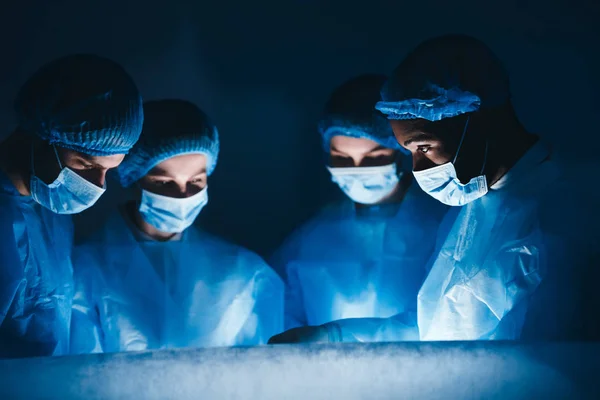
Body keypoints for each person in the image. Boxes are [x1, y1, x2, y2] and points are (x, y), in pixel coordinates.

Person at [269, 34, 600, 344]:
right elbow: (433, 331)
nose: (418, 169)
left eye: (423, 148)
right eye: (409, 152)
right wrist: (338, 336)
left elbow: (562, 361)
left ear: (478, 119)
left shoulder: (567, 211)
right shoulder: (476, 206)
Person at [70, 99, 284, 353]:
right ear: (132, 178)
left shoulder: (243, 273)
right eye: (164, 183)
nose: (183, 196)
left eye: (195, 181)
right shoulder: (86, 272)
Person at [269, 74, 447, 339]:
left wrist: (338, 337)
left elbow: (448, 323)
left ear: (402, 154)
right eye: (342, 159)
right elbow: (280, 317)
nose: (356, 171)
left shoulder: (445, 228)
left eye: (373, 158)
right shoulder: (309, 241)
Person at [0, 54, 143, 358]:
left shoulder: (50, 213)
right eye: (86, 164)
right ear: (38, 134)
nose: (98, 185)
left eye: (109, 171)